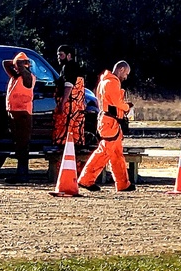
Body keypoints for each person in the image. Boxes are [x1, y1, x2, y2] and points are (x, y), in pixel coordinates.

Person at [77, 61, 135, 193]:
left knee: (117, 154)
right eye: (126, 73)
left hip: (110, 121)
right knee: (103, 152)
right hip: (110, 122)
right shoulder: (112, 82)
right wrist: (127, 107)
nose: (126, 77)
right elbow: (117, 102)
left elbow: (111, 102)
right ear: (120, 70)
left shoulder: (104, 82)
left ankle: (123, 184)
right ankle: (86, 180)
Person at [3, 52, 34, 183]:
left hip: (23, 114)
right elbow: (5, 63)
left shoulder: (28, 77)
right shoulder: (16, 76)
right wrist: (16, 62)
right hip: (14, 112)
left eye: (18, 65)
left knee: (22, 144)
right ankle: (20, 173)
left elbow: (24, 72)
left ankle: (23, 174)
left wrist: (21, 64)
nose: (16, 67)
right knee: (18, 144)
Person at [53, 44, 86, 147]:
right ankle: (76, 161)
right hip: (78, 107)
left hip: (70, 107)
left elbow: (69, 86)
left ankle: (62, 159)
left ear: (69, 55)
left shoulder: (68, 67)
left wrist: (62, 103)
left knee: (64, 133)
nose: (59, 58)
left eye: (61, 55)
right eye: (58, 55)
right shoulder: (76, 67)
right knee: (76, 134)